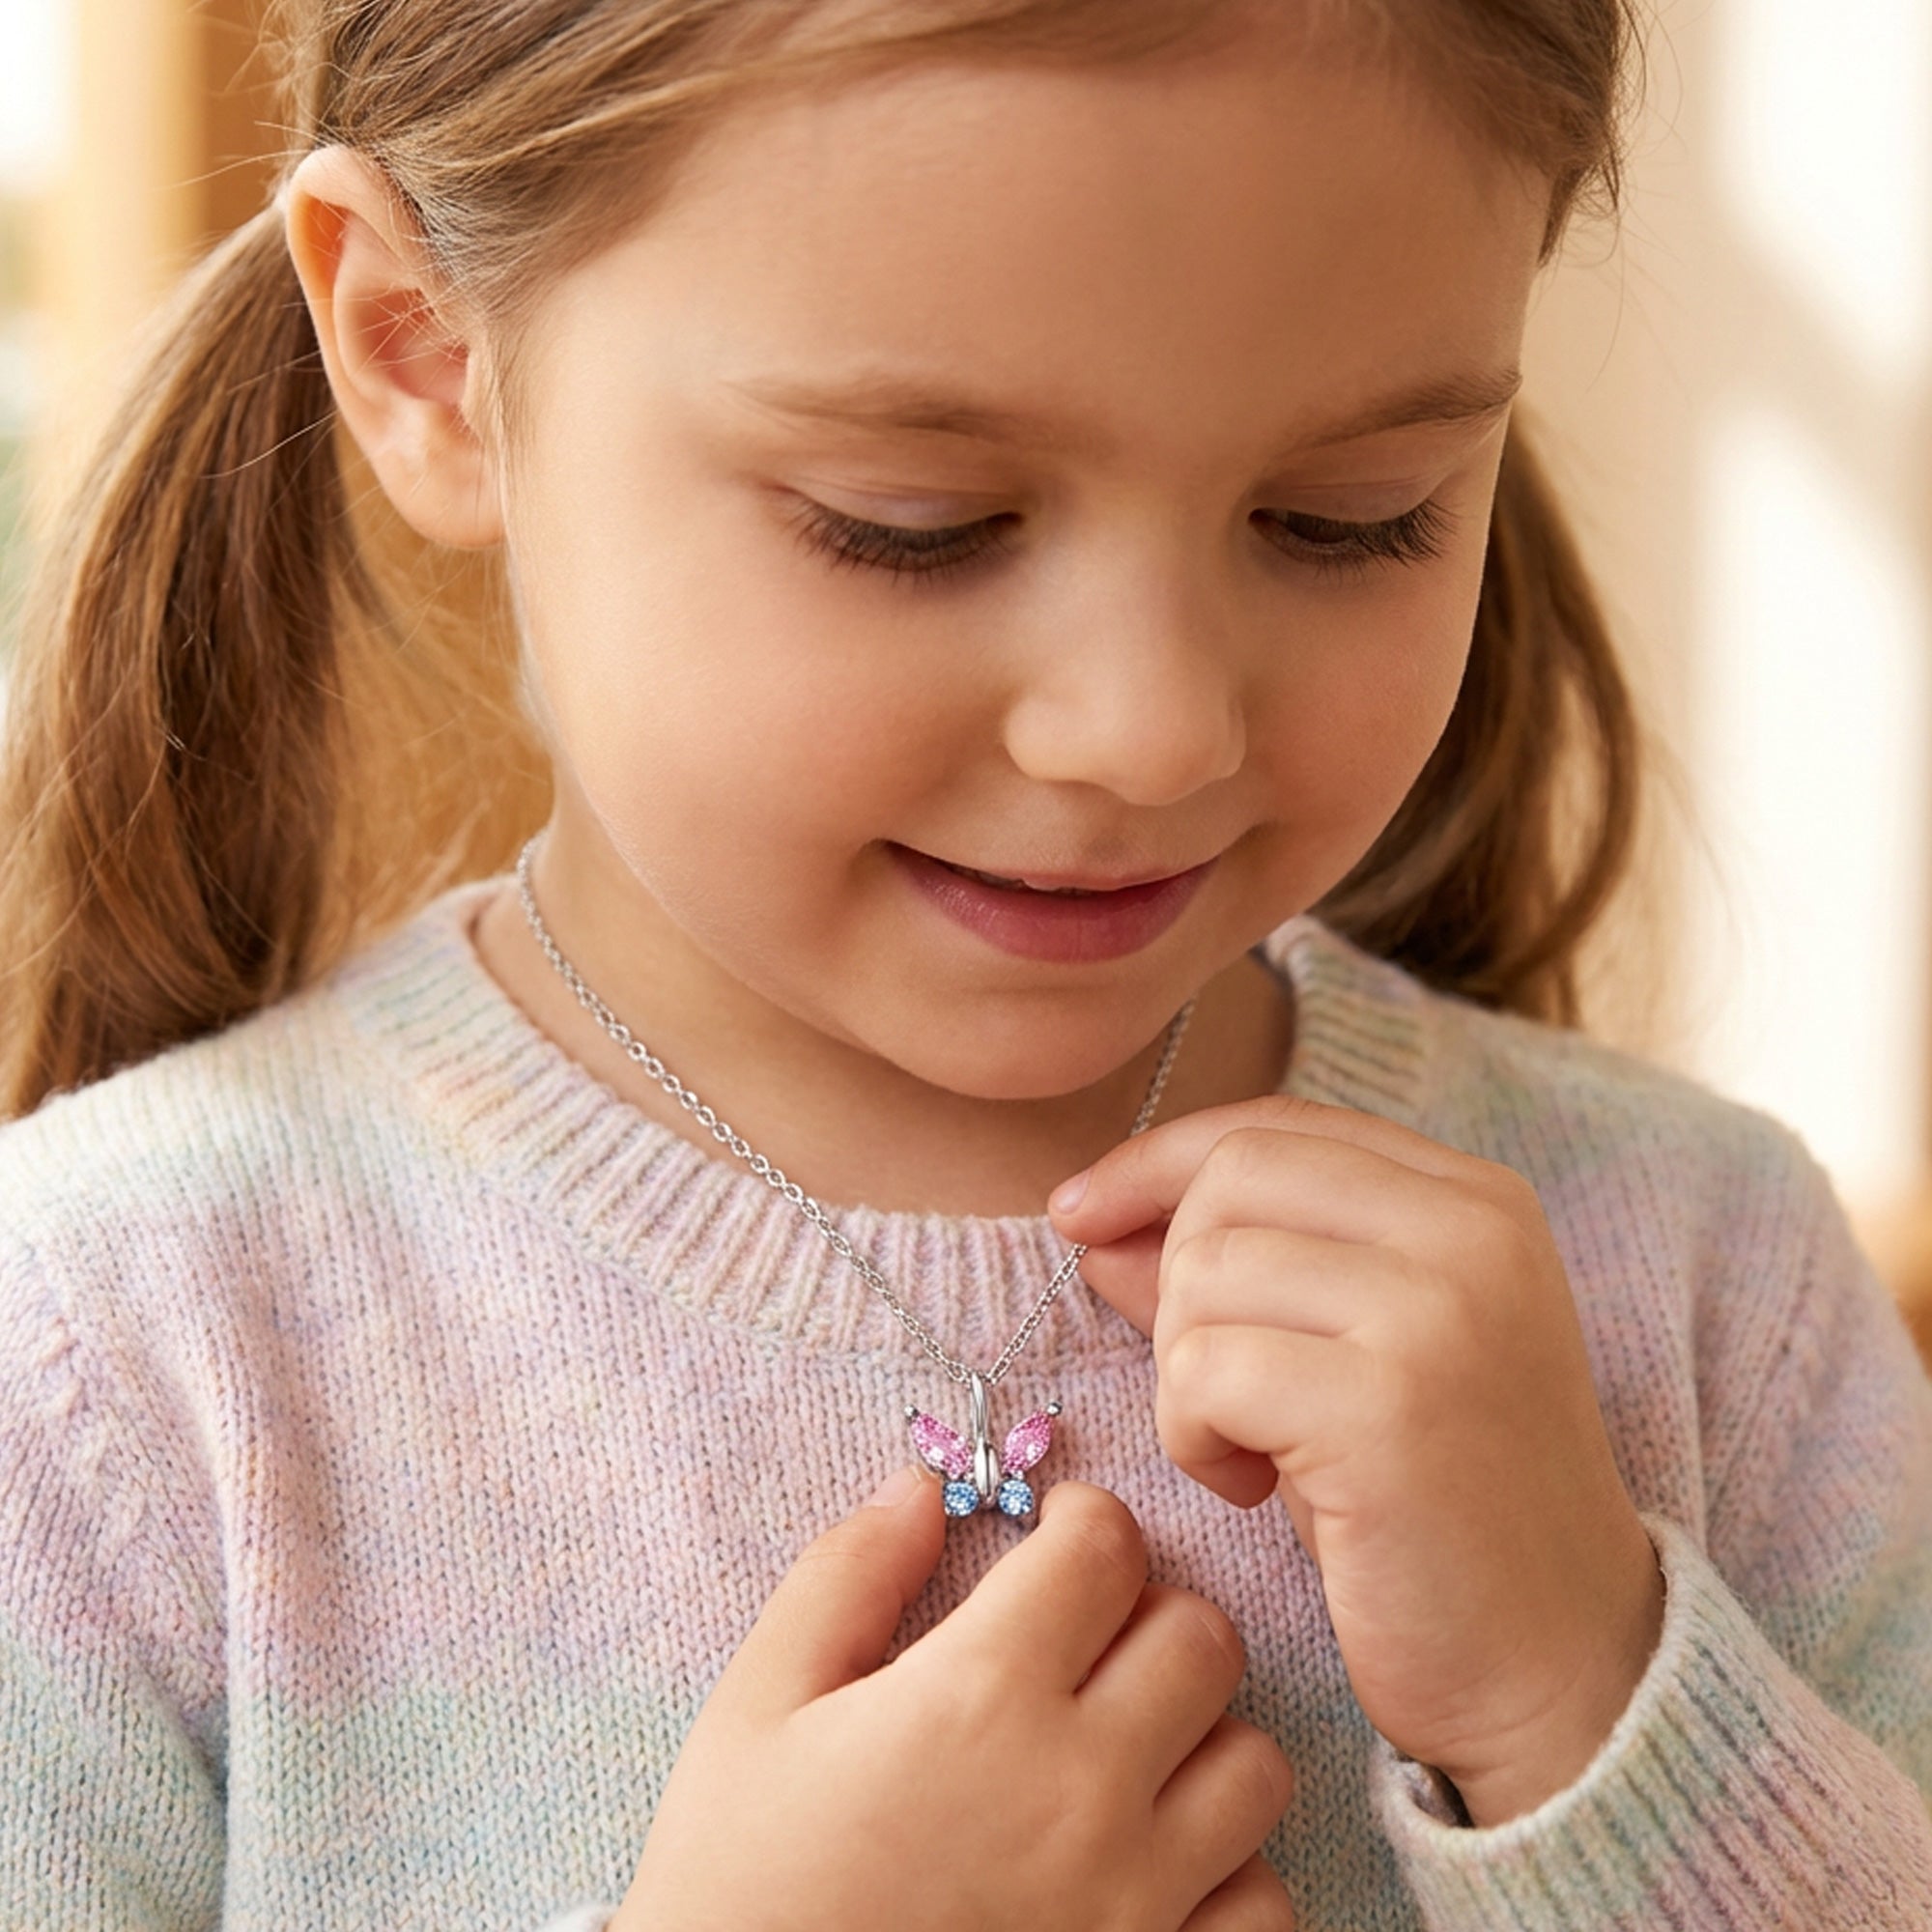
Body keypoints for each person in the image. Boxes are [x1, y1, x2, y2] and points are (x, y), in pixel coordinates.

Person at [3, 0, 1929, 1925]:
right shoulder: (107, 1370)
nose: (1151, 728)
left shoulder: (1702, 1287)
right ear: (429, 360)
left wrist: (1598, 1712)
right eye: (911, 526)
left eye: (1350, 521)